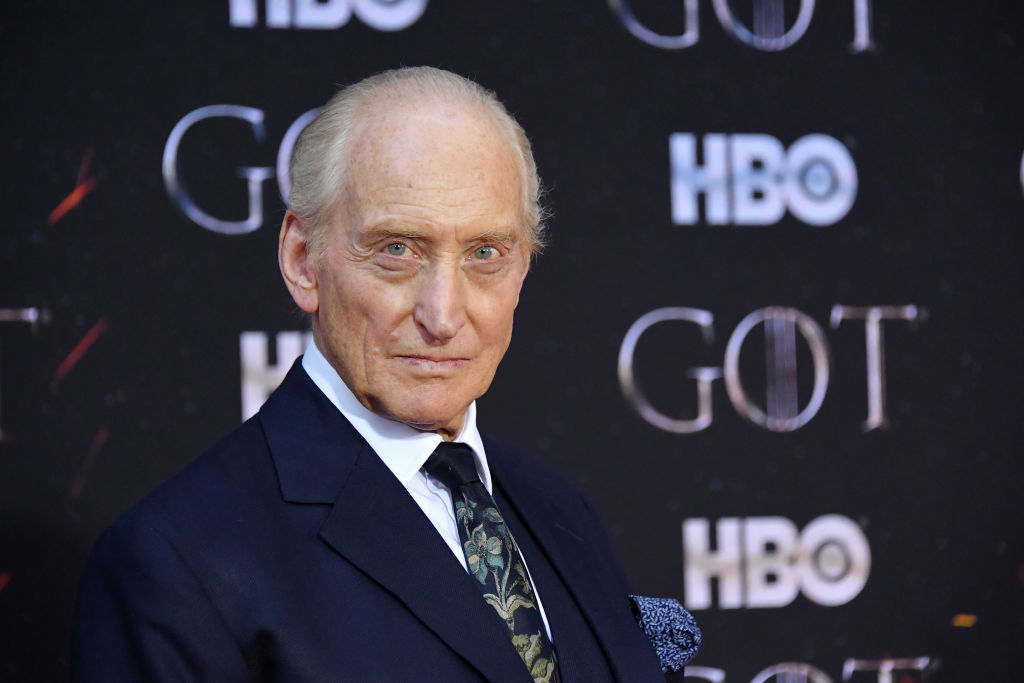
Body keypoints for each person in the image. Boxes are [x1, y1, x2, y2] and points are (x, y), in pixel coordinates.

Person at [72, 66, 664, 682]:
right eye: (397, 250)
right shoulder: (178, 561)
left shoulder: (561, 510)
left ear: (523, 271)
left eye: (485, 253)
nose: (443, 316)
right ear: (302, 260)